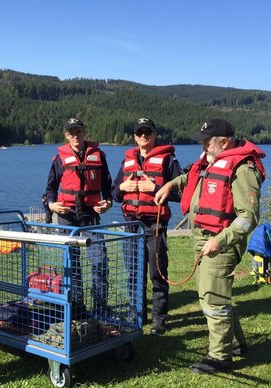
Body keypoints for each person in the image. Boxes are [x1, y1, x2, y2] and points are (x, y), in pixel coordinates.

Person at [154, 119, 266, 374]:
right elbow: (193, 177)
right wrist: (171, 185)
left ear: (224, 142)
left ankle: (220, 357)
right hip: (203, 237)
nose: (203, 147)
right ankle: (237, 343)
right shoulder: (213, 161)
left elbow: (248, 218)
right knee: (213, 293)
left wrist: (220, 240)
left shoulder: (243, 169)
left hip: (221, 242)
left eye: (207, 142)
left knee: (212, 299)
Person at [112, 117, 182, 335]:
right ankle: (136, 315)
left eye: (148, 132)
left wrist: (156, 187)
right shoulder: (127, 163)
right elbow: (114, 194)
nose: (144, 136)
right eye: (140, 133)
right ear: (135, 137)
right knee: (133, 273)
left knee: (157, 273)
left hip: (155, 225)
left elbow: (181, 194)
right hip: (131, 225)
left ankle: (159, 320)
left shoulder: (168, 161)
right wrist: (123, 186)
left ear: (154, 135)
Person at [44, 117, 113, 315]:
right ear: (66, 135)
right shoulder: (59, 159)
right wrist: (52, 205)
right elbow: (50, 189)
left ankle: (100, 307)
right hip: (67, 215)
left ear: (84, 132)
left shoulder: (99, 156)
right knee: (72, 262)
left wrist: (107, 202)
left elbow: (108, 186)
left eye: (79, 131)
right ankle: (76, 307)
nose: (76, 135)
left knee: (99, 261)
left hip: (91, 215)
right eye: (71, 132)